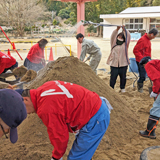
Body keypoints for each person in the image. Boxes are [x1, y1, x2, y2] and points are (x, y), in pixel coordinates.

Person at [16, 80, 112, 160]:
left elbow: (59, 135)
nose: (26, 113)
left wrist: (56, 157)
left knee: (76, 158)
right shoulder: (45, 86)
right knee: (82, 153)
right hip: (95, 106)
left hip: (95, 117)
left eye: (21, 109)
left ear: (25, 100)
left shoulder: (45, 109)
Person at [139, 57, 160, 139]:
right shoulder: (156, 62)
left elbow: (157, 80)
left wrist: (154, 92)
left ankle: (149, 132)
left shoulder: (149, 65)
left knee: (157, 107)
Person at [133, 28, 158, 93]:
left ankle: (152, 89)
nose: (154, 38)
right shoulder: (142, 40)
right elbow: (135, 50)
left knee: (150, 75)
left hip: (147, 61)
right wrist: (143, 60)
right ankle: (140, 88)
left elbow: (147, 52)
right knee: (142, 76)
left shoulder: (148, 40)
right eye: (154, 36)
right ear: (152, 34)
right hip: (141, 61)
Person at [107, 26, 131, 93]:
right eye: (118, 37)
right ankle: (111, 88)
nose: (119, 39)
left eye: (121, 38)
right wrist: (117, 29)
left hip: (123, 64)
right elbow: (113, 36)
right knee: (113, 77)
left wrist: (124, 30)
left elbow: (128, 36)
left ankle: (122, 88)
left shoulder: (125, 45)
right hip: (114, 64)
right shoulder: (113, 43)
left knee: (123, 77)